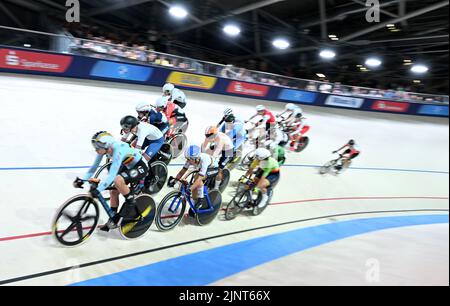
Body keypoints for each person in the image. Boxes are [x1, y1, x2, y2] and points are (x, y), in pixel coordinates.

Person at [73, 131, 148, 231]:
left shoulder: (118, 149)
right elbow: (93, 167)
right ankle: (113, 219)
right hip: (128, 166)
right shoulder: (105, 149)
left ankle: (130, 201)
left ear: (106, 146)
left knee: (117, 180)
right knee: (113, 192)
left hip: (140, 166)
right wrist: (83, 180)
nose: (96, 150)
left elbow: (112, 175)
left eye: (97, 147)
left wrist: (98, 189)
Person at [243, 148, 280, 215]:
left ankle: (265, 198)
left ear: (261, 157)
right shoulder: (258, 160)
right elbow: (250, 170)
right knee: (252, 182)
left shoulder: (269, 163)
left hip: (273, 174)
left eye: (257, 156)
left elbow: (263, 177)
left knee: (261, 185)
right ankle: (248, 198)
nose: (255, 157)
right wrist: (244, 177)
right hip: (263, 170)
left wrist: (257, 187)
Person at [202, 126, 234, 191]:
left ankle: (216, 188)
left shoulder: (220, 138)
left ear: (214, 134)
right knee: (207, 153)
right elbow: (204, 146)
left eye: (209, 135)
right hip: (220, 146)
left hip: (228, 151)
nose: (208, 137)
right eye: (207, 135)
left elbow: (217, 150)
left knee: (219, 169)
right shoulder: (210, 135)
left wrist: (211, 159)